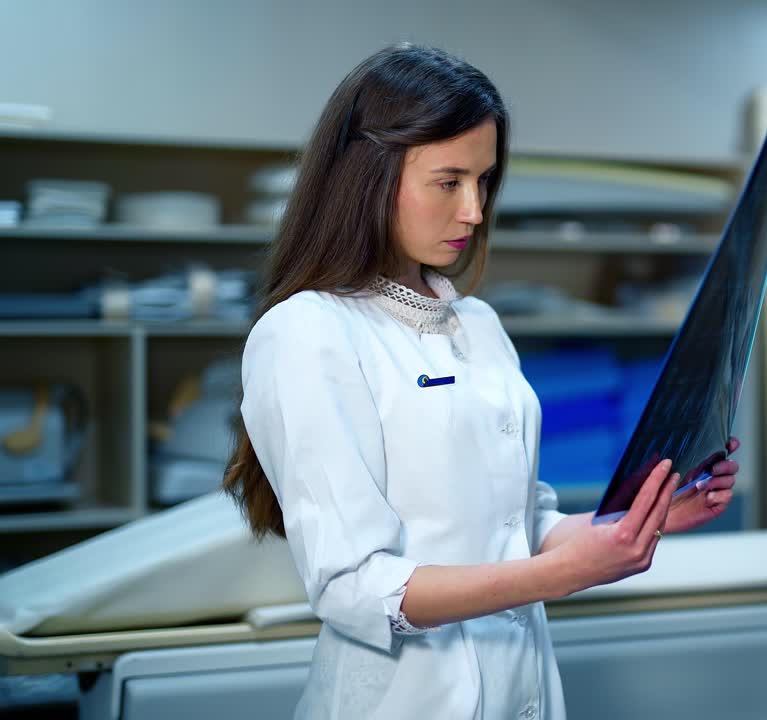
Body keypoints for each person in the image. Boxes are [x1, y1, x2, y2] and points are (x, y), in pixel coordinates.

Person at [222, 43, 738, 719]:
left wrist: (645, 518)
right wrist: (555, 577)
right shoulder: (307, 332)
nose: (474, 209)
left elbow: (521, 524)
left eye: (485, 181)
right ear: (368, 176)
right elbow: (355, 586)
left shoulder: (478, 324)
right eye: (449, 181)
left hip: (521, 691)